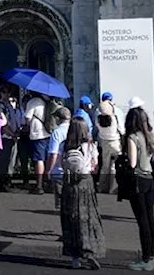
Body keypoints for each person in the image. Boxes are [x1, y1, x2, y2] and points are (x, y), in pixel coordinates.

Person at [59, 117, 105, 271]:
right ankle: (89, 250)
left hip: (69, 183)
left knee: (70, 218)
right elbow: (95, 166)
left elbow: (61, 164)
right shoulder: (90, 145)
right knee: (88, 217)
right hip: (85, 183)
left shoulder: (65, 145)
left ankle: (74, 257)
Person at [122, 99, 154, 272]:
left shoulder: (132, 137)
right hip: (149, 177)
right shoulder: (148, 135)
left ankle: (146, 258)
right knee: (150, 219)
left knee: (142, 221)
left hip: (137, 180)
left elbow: (132, 162)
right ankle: (151, 256)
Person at [0, 89, 24, 191]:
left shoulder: (11, 107)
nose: (7, 94)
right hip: (5, 137)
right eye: (4, 92)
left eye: (8, 92)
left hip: (13, 136)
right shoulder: (0, 107)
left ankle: (8, 180)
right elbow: (2, 125)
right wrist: (12, 134)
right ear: (1, 93)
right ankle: (2, 183)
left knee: (11, 161)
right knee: (4, 160)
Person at [95, 92, 123, 193]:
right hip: (115, 142)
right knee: (114, 166)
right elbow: (121, 129)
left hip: (104, 143)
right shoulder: (114, 118)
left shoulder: (98, 119)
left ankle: (102, 186)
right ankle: (112, 188)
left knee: (105, 166)